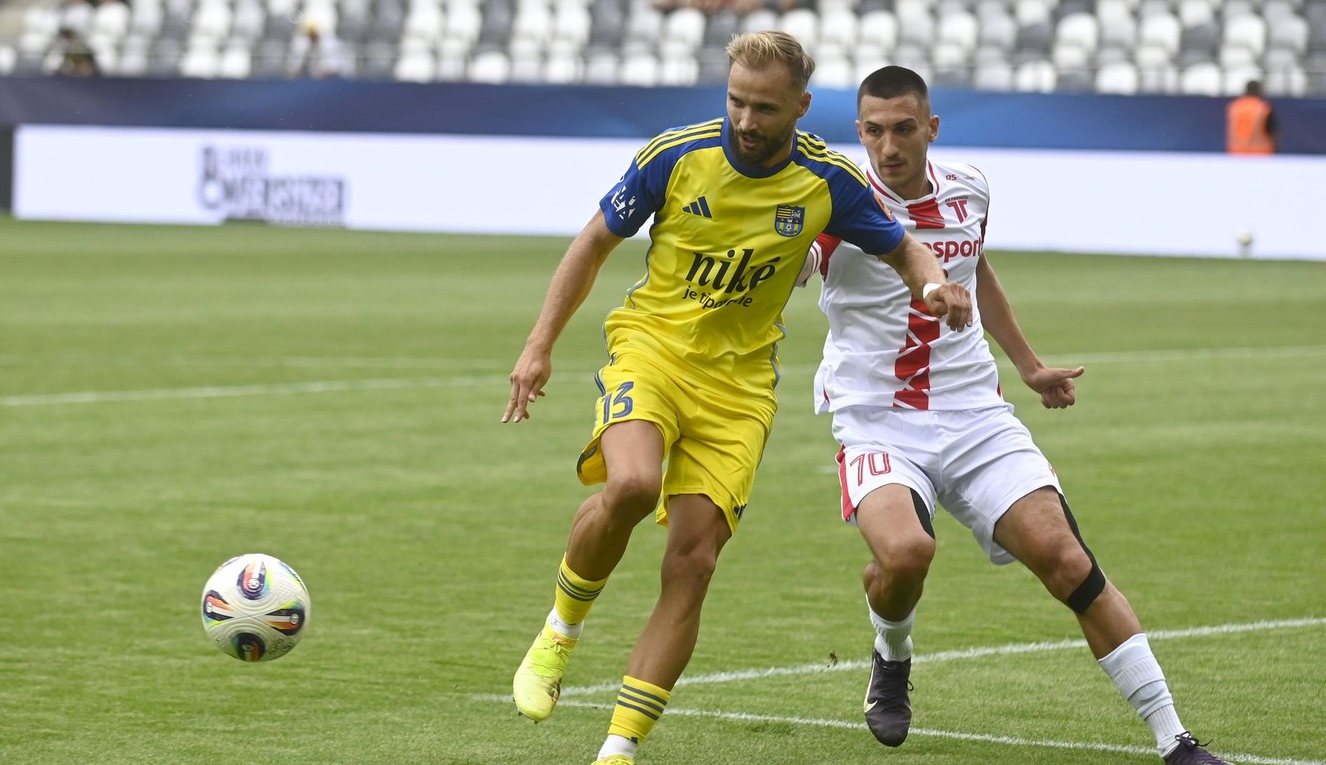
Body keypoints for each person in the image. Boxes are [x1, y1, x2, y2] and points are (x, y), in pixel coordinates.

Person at [502, 33, 971, 765]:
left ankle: (617, 752)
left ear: (800, 107)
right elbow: (594, 239)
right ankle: (560, 632)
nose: (747, 121)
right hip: (653, 350)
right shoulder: (677, 154)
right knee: (628, 484)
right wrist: (539, 344)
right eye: (736, 102)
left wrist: (932, 282)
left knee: (692, 562)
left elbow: (901, 243)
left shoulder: (826, 181)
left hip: (740, 389)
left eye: (764, 108)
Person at [806, 65, 1231, 765]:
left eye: (904, 129)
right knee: (907, 552)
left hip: (975, 413)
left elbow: (976, 267)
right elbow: (781, 268)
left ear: (931, 128)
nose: (889, 147)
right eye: (875, 132)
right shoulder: (836, 204)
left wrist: (1029, 365)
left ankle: (1175, 740)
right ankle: (892, 652)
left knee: (1069, 561)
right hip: (877, 417)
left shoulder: (969, 188)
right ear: (858, 133)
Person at [1226, 79, 1277, 155]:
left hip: (1237, 151)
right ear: (1259, 90)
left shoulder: (1235, 106)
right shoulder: (1262, 107)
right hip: (1260, 152)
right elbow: (1271, 129)